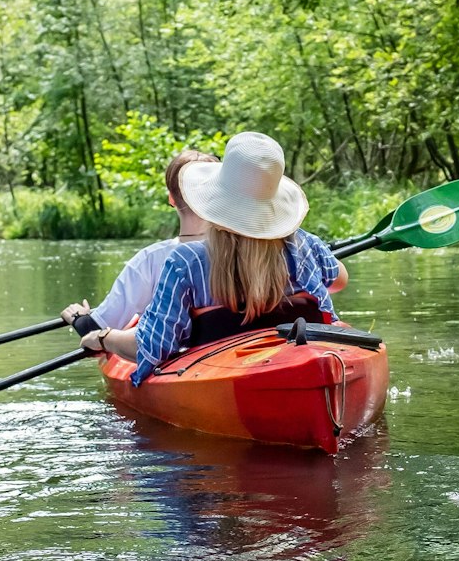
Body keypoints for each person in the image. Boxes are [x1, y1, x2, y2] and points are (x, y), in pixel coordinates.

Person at [81, 132, 347, 384]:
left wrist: (105, 339)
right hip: (312, 357)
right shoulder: (306, 244)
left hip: (226, 370)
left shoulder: (186, 262)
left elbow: (154, 347)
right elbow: (339, 281)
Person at [61, 149, 217, 333]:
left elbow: (95, 329)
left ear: (171, 198)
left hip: (176, 352)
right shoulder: (244, 251)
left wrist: (79, 318)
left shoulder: (150, 259)